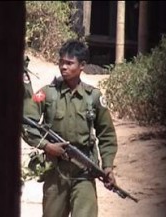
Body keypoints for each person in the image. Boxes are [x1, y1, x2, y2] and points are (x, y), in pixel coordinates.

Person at [22, 39, 118, 217]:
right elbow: (27, 123)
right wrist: (46, 146)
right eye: (61, 62)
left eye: (69, 63)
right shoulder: (47, 93)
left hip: (84, 170)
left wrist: (107, 166)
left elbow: (107, 135)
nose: (63, 67)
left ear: (82, 65)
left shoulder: (93, 97)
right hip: (55, 170)